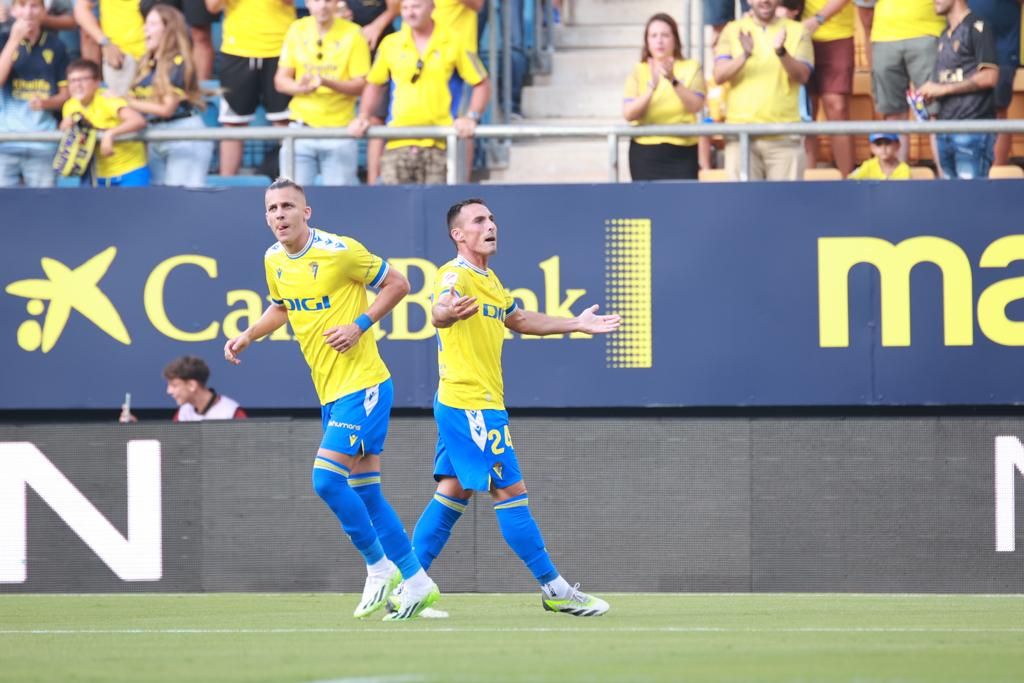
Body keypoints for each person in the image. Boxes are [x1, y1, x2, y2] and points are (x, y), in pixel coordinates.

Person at [224, 178, 440, 621]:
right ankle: (417, 582)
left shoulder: (340, 251)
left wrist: (359, 324)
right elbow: (282, 307)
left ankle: (379, 567)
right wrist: (248, 334)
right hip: (331, 390)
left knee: (325, 480)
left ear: (307, 212)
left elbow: (398, 283)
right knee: (368, 495)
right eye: (272, 208)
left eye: (288, 206)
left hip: (364, 385)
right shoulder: (273, 259)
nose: (279, 215)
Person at [402, 198, 620, 617]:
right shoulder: (455, 274)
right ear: (458, 234)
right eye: (479, 220)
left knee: (452, 490)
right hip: (472, 405)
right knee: (510, 491)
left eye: (492, 218)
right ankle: (554, 588)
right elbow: (440, 308)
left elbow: (518, 320)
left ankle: (408, 585)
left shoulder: (490, 280)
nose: (490, 225)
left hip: (467, 402)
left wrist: (575, 323)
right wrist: (444, 311)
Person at [348, 0, 490, 185]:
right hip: (397, 142)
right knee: (394, 209)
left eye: (416, 7)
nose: (410, 13)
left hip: (439, 144)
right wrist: (364, 114)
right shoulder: (390, 43)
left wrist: (471, 116)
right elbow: (375, 84)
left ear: (432, 7)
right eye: (405, 8)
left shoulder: (455, 41)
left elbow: (482, 82)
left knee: (439, 211)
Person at [713, 0, 814, 180]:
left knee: (785, 206)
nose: (764, 1)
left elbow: (803, 76)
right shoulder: (731, 29)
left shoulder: (799, 30)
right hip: (741, 137)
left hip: (784, 138)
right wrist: (744, 55)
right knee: (743, 206)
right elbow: (719, 76)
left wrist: (781, 52)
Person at [275, 0, 370, 186]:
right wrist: (299, 87)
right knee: (290, 204)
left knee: (339, 204)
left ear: (337, 3)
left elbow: (362, 84)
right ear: (308, 3)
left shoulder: (353, 33)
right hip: (300, 130)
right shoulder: (296, 29)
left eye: (328, 0)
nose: (323, 6)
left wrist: (327, 82)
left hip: (340, 131)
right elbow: (280, 81)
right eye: (317, 0)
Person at [125, 4, 212, 187]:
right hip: (154, 133)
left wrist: (126, 101)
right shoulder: (145, 64)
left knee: (182, 198)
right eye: (145, 23)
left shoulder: (179, 62)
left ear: (168, 29)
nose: (145, 28)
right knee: (161, 201)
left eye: (152, 24)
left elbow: (167, 108)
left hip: (182, 133)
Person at [204, 0, 295, 176]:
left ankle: (291, 185)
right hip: (237, 49)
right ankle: (227, 187)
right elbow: (212, 6)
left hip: (281, 47)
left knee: (285, 122)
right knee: (233, 123)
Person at [917, 0, 999, 179]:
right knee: (951, 201)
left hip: (972, 128)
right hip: (945, 130)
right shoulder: (944, 35)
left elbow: (990, 76)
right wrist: (931, 95)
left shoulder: (978, 26)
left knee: (970, 200)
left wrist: (943, 90)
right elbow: (948, 81)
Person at [623, 12, 705, 181]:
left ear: (675, 39)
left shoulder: (692, 67)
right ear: (647, 41)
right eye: (653, 35)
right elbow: (629, 114)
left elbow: (696, 106)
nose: (659, 41)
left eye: (665, 35)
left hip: (682, 151)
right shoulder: (639, 70)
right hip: (645, 152)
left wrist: (672, 80)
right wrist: (651, 88)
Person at [862, 0, 944, 161]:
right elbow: (865, 6)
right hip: (884, 36)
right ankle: (899, 180)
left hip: (929, 31)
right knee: (893, 114)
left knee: (936, 113)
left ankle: (945, 180)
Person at [0, 0, 69, 187]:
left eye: (34, 6)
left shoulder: (57, 46)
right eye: (22, 5)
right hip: (6, 142)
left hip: (43, 143)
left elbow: (65, 96)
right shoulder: (3, 40)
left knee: (43, 208)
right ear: (13, 10)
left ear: (43, 10)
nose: (28, 12)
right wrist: (14, 40)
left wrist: (47, 103)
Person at [61, 57, 149, 185]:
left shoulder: (107, 99)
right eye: (72, 81)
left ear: (97, 82)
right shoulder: (69, 106)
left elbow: (138, 120)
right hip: (101, 174)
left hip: (131, 171)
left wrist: (111, 133)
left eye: (83, 80)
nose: (77, 85)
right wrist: (64, 126)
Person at [346, 0, 398, 184]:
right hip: (344, 50)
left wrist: (376, 26)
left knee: (375, 118)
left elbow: (397, 7)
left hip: (378, 47)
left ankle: (372, 181)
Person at [800, 0, 855, 176]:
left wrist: (818, 19)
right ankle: (806, 182)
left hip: (837, 33)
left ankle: (847, 181)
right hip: (798, 34)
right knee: (805, 112)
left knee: (837, 108)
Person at [968, 0, 1021, 166]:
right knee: (966, 110)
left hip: (1002, 45)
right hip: (969, 42)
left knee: (998, 111)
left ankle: (997, 172)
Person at [120, 356, 248, 422]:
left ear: (192, 385)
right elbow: (169, 451)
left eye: (174, 385)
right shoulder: (183, 413)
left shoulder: (232, 413)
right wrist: (134, 430)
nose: (169, 391)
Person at [72, 0, 146, 95]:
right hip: (119, 56)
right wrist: (105, 42)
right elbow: (81, 10)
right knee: (119, 105)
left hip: (152, 55)